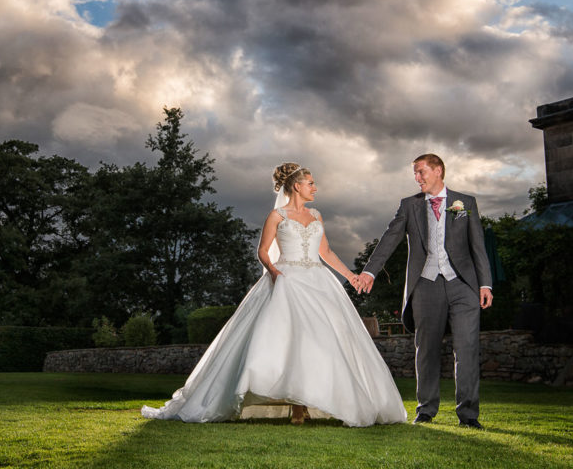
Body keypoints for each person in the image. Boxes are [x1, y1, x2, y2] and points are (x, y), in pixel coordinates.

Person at [142, 163, 407, 427]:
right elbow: (263, 251)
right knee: (290, 340)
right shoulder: (277, 215)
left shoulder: (316, 215)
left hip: (317, 280)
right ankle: (297, 408)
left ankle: (311, 402)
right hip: (287, 279)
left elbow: (325, 252)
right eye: (311, 183)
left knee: (320, 341)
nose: (315, 188)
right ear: (296, 186)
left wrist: (351, 277)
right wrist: (272, 271)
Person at [357, 154, 493, 429]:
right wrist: (370, 270)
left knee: (467, 348)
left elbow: (477, 244)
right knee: (426, 350)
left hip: (463, 285)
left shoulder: (464, 203)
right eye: (415, 174)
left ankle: (468, 415)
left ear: (438, 170)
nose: (417, 178)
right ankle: (426, 410)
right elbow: (390, 238)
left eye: (421, 172)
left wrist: (485, 283)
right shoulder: (409, 205)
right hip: (426, 284)